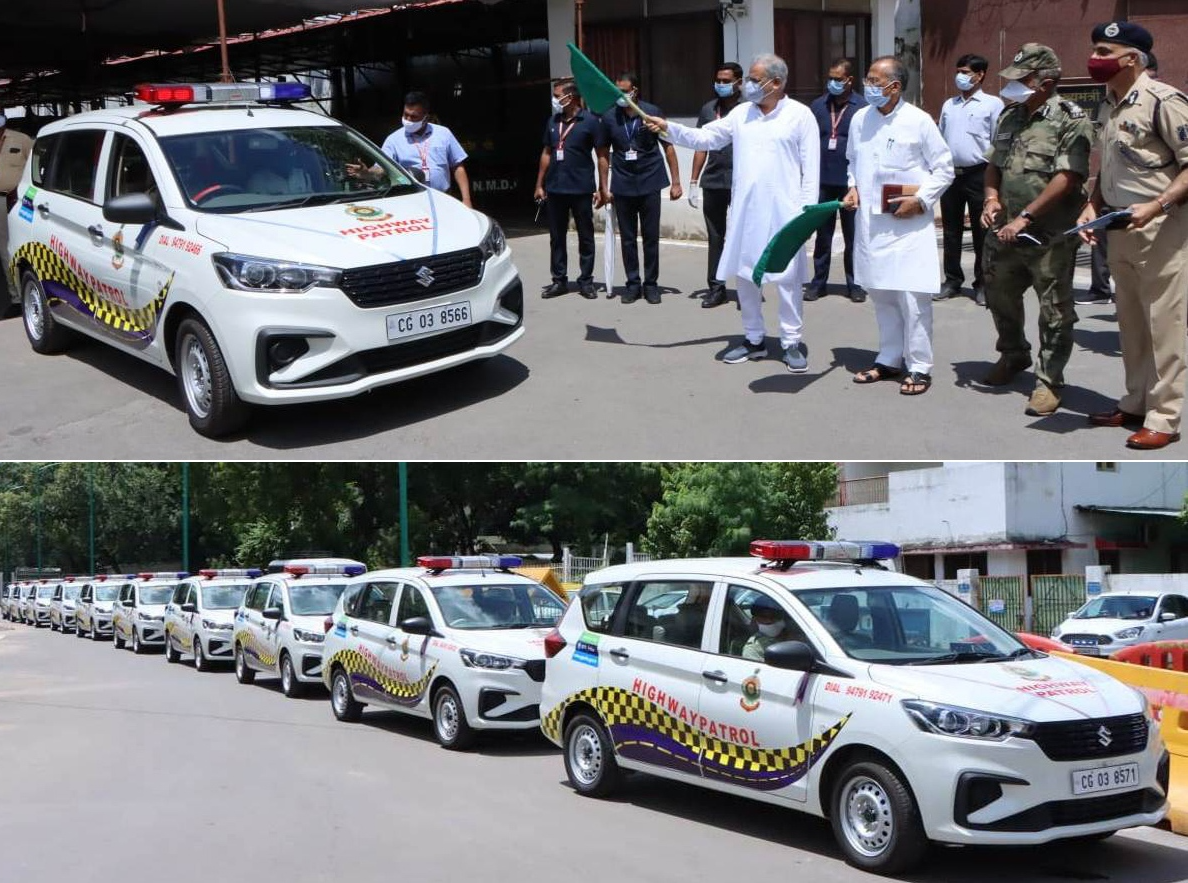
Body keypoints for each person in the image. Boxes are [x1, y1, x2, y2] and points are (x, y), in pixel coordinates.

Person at [644, 54, 819, 373]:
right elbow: (705, 137)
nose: (748, 84)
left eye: (755, 78)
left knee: (788, 279)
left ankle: (791, 341)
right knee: (747, 276)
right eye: (749, 78)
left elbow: (811, 169)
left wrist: (806, 216)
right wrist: (667, 128)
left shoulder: (800, 116)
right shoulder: (742, 114)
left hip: (786, 212)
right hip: (747, 212)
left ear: (776, 83)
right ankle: (754, 338)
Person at [1078, 22, 1188, 450]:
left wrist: (1158, 205)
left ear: (1132, 59)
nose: (1095, 58)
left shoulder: (1165, 102)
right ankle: (1136, 402)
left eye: (1105, 50)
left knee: (1164, 326)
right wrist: (1093, 203)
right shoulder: (1110, 102)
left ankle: (1165, 416)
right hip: (1120, 227)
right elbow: (1109, 163)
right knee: (1132, 324)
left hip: (1161, 228)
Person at [980, 44, 1092, 419]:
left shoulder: (1071, 119)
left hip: (1049, 234)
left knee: (1054, 309)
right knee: (998, 292)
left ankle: (1049, 380)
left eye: (1022, 80)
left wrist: (1024, 217)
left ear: (1046, 82)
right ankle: (1013, 355)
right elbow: (994, 165)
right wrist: (991, 199)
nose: (1013, 86)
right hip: (1005, 229)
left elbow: (1067, 177)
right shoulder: (1009, 117)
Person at [843, 56, 955, 396]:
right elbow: (853, 161)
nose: (869, 86)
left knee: (912, 297)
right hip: (872, 225)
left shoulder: (919, 121)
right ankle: (889, 358)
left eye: (875, 81)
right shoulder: (860, 119)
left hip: (907, 226)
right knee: (882, 295)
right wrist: (852, 186)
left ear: (895, 87)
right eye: (868, 79)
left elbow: (944, 168)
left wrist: (921, 199)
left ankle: (919, 366)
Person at [598, 72, 682, 305]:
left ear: (635, 90)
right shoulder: (609, 117)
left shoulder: (651, 113)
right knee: (627, 238)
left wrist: (676, 182)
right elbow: (603, 155)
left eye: (624, 91)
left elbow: (669, 148)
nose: (620, 95)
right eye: (617, 91)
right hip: (623, 185)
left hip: (650, 182)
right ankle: (633, 284)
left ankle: (651, 284)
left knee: (650, 237)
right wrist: (604, 187)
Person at [937, 54, 1004, 305]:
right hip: (951, 175)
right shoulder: (949, 105)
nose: (961, 77)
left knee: (981, 232)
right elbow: (941, 138)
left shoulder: (992, 104)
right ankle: (952, 280)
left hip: (980, 173)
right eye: (958, 71)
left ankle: (983, 284)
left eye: (966, 72)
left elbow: (997, 142)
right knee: (951, 231)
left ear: (980, 75)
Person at [534, 79, 608, 300]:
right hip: (555, 188)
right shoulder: (552, 121)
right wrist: (539, 184)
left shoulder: (591, 121)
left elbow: (603, 155)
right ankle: (559, 281)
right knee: (557, 237)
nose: (555, 100)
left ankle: (586, 281)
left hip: (581, 189)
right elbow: (547, 152)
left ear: (571, 97)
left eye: (557, 96)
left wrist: (603, 188)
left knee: (586, 236)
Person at [807, 58, 867, 303]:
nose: (832, 83)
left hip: (851, 183)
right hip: (822, 181)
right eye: (830, 78)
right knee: (823, 235)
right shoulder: (818, 106)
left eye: (837, 79)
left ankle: (855, 284)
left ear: (849, 80)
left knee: (854, 236)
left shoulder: (862, 108)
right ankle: (818, 282)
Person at [690, 62, 743, 309]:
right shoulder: (708, 109)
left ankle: (749, 289)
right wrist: (693, 180)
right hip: (713, 179)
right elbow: (701, 144)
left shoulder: (749, 109)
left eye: (726, 81)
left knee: (745, 235)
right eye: (718, 81)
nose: (721, 85)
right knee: (716, 236)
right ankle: (716, 287)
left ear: (739, 82)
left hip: (742, 181)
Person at [377, 91, 472, 207]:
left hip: (443, 199)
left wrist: (466, 199)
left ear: (426, 117)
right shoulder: (393, 140)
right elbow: (380, 169)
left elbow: (458, 166)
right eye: (405, 114)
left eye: (413, 117)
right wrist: (366, 172)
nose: (408, 119)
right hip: (412, 202)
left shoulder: (444, 133)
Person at [0, 113, 33, 270]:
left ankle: (15, 293)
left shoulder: (22, 140)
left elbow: (35, 166)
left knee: (10, 245)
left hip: (12, 200)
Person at [741, 595, 801, 661]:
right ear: (755, 619)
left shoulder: (801, 633)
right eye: (764, 616)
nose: (770, 620)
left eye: (775, 615)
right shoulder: (753, 649)